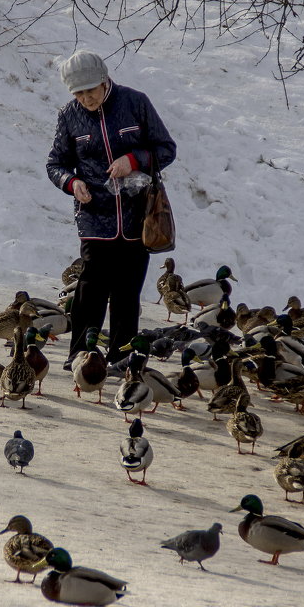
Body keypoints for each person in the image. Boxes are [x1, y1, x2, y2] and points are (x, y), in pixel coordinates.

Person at [47, 49, 177, 368]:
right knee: (90, 291)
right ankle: (81, 355)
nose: (86, 98)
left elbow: (166, 149)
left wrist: (133, 160)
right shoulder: (69, 115)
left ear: (104, 81)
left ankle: (122, 356)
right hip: (94, 218)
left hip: (138, 216)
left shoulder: (135, 103)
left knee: (126, 293)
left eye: (90, 90)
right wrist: (71, 183)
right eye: (78, 93)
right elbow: (55, 164)